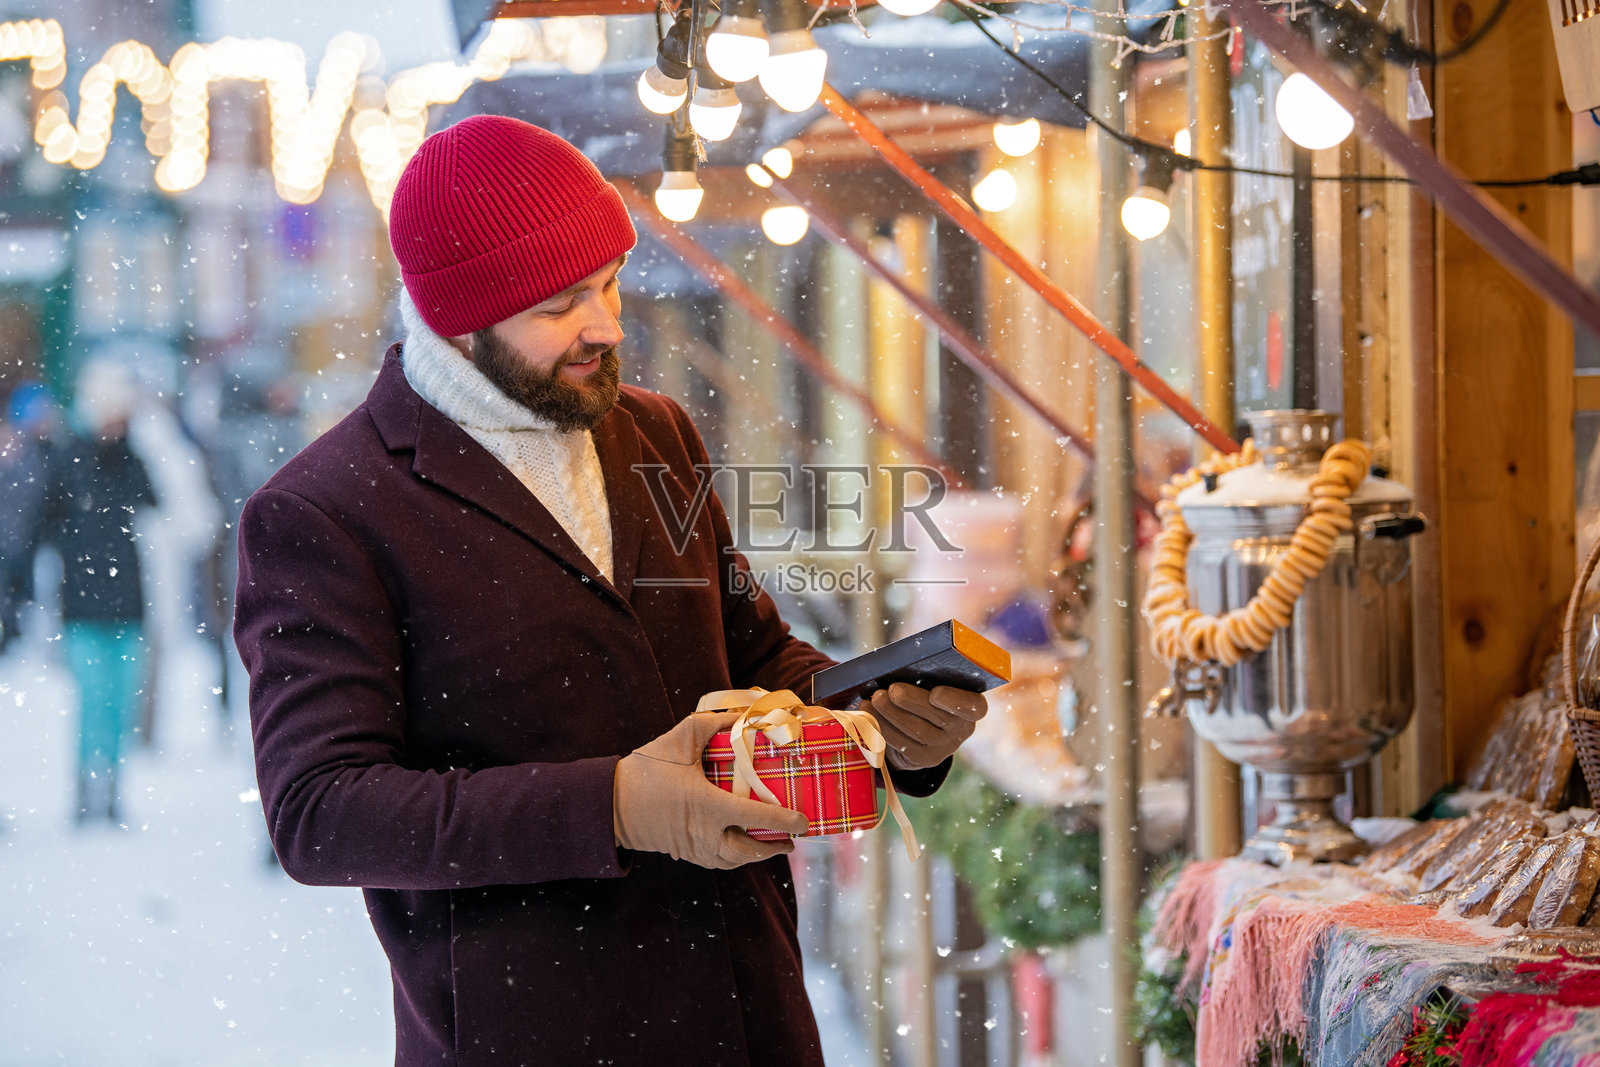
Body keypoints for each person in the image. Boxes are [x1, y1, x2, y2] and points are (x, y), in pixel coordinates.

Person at [233, 114, 988, 1065]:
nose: (607, 325)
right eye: (559, 305)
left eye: (609, 283)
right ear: (457, 320)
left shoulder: (656, 432)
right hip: (539, 1030)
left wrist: (879, 716)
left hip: (748, 1006)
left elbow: (750, 654)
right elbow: (322, 811)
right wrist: (618, 805)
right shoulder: (327, 510)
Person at [40, 360, 158, 824]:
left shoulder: (131, 457)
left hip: (127, 599)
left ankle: (110, 788)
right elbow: (43, 524)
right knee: (92, 699)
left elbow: (153, 501)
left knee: (121, 701)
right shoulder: (68, 457)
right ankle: (86, 787)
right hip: (83, 603)